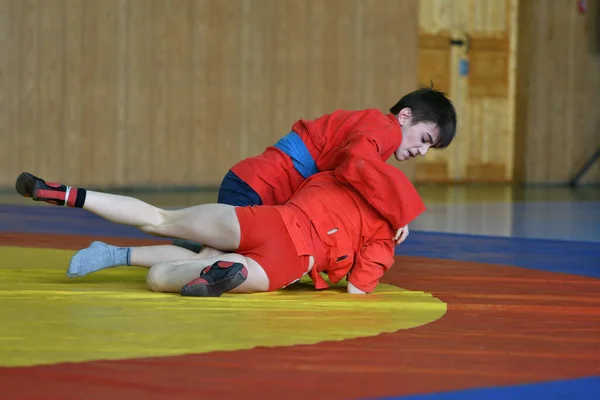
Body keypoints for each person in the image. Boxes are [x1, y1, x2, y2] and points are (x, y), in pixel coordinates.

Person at [14, 166, 426, 296]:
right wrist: (388, 238)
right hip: (290, 262)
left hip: (266, 219)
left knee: (161, 217)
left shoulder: (335, 177)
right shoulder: (384, 239)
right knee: (161, 281)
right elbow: (358, 290)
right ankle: (227, 269)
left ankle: (67, 193)